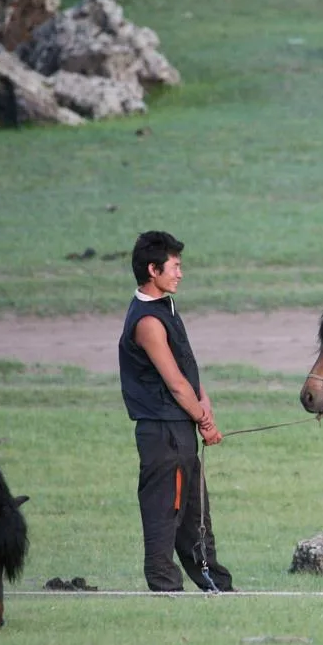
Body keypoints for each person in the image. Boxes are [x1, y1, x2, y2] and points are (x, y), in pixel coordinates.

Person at [118, 231, 234, 592]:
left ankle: (216, 585)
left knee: (195, 514)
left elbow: (187, 369)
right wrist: (205, 421)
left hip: (180, 429)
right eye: (175, 266)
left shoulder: (165, 308)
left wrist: (204, 405)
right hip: (162, 433)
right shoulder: (148, 322)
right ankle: (166, 589)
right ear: (153, 270)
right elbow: (176, 383)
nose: (180, 273)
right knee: (164, 514)